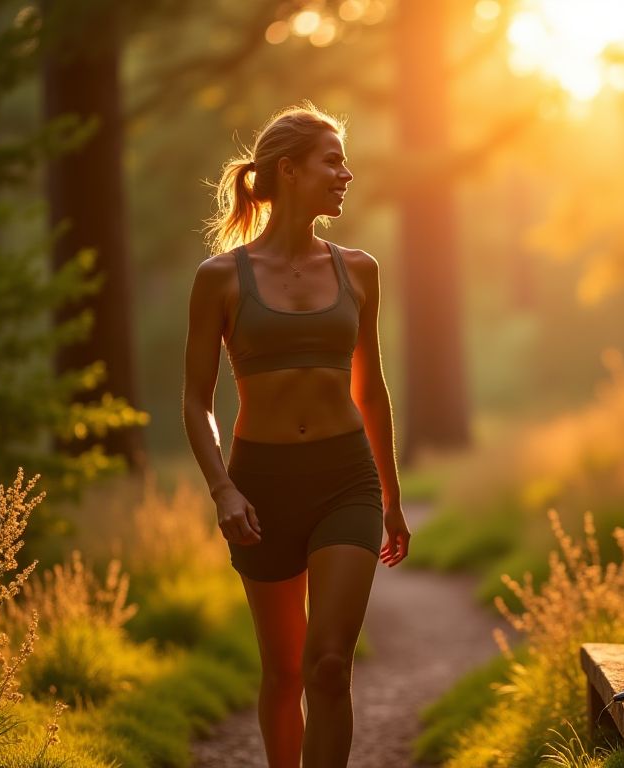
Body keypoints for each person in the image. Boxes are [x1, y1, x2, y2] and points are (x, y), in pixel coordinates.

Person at [182, 102, 410, 768]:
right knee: (283, 674)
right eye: (331, 161)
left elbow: (371, 390)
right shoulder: (220, 278)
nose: (347, 174)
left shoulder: (360, 269)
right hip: (261, 484)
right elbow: (196, 404)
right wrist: (222, 490)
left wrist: (390, 497)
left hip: (346, 479)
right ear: (289, 170)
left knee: (329, 664)